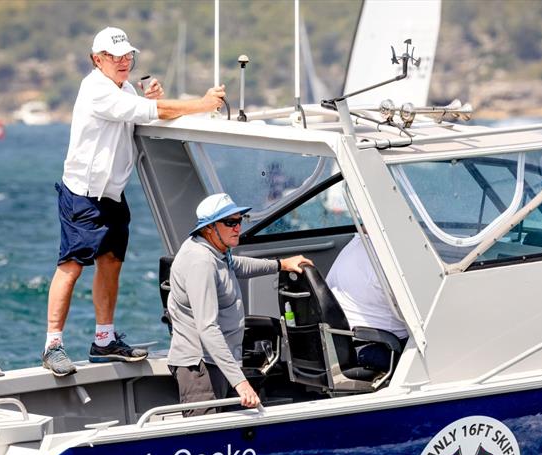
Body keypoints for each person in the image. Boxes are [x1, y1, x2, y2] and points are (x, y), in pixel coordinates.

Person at [43, 27, 226, 377]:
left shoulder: (123, 88)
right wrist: (201, 104)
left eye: (128, 55)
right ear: (98, 60)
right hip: (83, 194)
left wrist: (155, 102)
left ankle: (104, 340)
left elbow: (152, 111)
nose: (124, 61)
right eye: (115, 57)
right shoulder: (96, 90)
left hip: (112, 193)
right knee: (71, 267)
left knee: (111, 263)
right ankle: (52, 345)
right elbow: (149, 111)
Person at [167, 193, 312, 417]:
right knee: (208, 443)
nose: (237, 227)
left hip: (217, 362)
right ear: (208, 228)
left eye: (239, 220)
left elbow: (237, 266)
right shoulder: (201, 262)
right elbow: (207, 328)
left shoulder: (216, 251)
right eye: (230, 222)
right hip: (201, 368)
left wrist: (281, 264)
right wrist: (241, 383)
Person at [326, 234, 408, 371]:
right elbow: (421, 311)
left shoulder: (358, 243)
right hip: (378, 345)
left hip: (343, 341)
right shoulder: (384, 261)